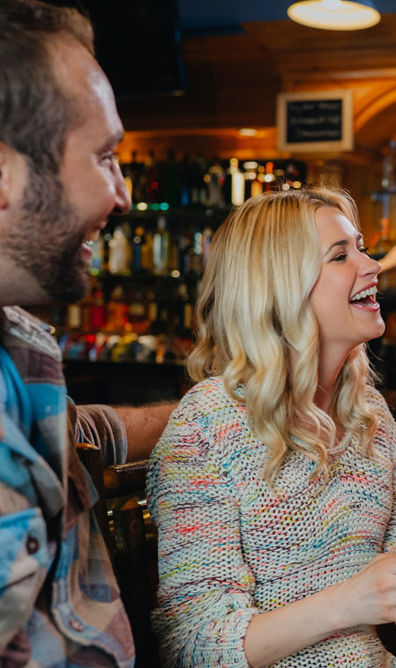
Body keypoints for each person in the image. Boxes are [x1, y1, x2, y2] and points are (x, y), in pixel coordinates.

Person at [145, 187, 396, 668]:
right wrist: (347, 602)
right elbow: (192, 646)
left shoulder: (368, 415)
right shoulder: (206, 426)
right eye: (340, 256)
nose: (372, 265)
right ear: (280, 288)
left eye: (361, 247)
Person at [1, 1, 176, 663]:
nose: (124, 196)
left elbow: (76, 438)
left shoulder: (19, 344)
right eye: (105, 157)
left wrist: (222, 402)